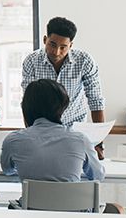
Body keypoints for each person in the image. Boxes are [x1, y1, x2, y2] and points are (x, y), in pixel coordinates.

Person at [1, 79, 109, 218]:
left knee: (11, 212)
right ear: (61, 108)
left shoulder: (14, 140)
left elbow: (8, 170)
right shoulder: (80, 139)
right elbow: (98, 176)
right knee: (118, 211)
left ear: (27, 108)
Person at [21, 16, 106, 157]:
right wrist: (31, 136)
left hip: (76, 131)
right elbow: (28, 102)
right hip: (44, 132)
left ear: (70, 45)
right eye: (52, 44)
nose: (56, 52)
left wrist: (98, 143)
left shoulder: (85, 61)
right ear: (45, 40)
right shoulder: (31, 61)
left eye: (63, 47)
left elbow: (95, 101)